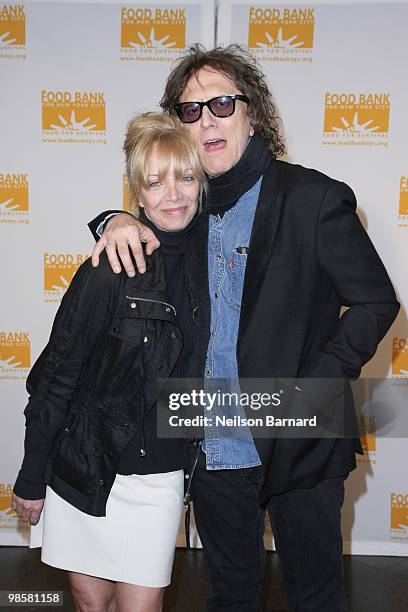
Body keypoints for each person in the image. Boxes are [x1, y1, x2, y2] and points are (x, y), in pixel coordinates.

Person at [88, 45, 400, 611]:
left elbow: (376, 303)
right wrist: (116, 218)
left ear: (252, 113)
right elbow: (144, 212)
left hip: (301, 431)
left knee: (314, 596)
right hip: (210, 445)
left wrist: (318, 384)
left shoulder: (313, 198)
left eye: (222, 104)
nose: (207, 119)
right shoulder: (186, 206)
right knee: (230, 595)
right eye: (190, 110)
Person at [12, 112, 206, 612]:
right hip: (87, 461)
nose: (174, 193)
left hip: (158, 476)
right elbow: (58, 376)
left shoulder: (215, 266)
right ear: (137, 194)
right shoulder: (110, 266)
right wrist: (33, 473)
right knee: (89, 602)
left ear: (201, 183)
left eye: (185, 176)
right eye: (156, 182)